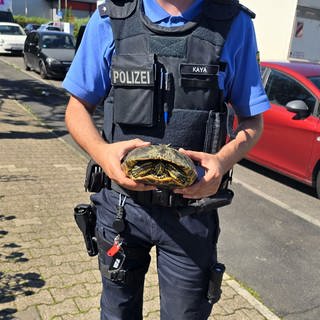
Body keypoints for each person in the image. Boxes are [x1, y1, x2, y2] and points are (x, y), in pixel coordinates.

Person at [63, 0, 270, 319]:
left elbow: (252, 122)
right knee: (117, 312)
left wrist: (222, 162)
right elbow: (76, 109)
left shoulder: (233, 23)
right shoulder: (110, 19)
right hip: (122, 210)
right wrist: (103, 154)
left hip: (191, 213)